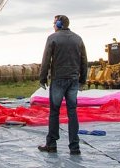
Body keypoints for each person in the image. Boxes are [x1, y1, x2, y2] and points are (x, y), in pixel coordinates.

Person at [38, 15, 88, 156]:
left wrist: (42, 78)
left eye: (54, 23)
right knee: (72, 112)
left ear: (59, 24)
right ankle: (74, 147)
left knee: (54, 112)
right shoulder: (78, 39)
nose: (53, 25)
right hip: (73, 80)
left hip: (58, 80)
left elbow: (46, 59)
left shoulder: (52, 38)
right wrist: (82, 80)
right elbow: (84, 61)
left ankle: (51, 144)